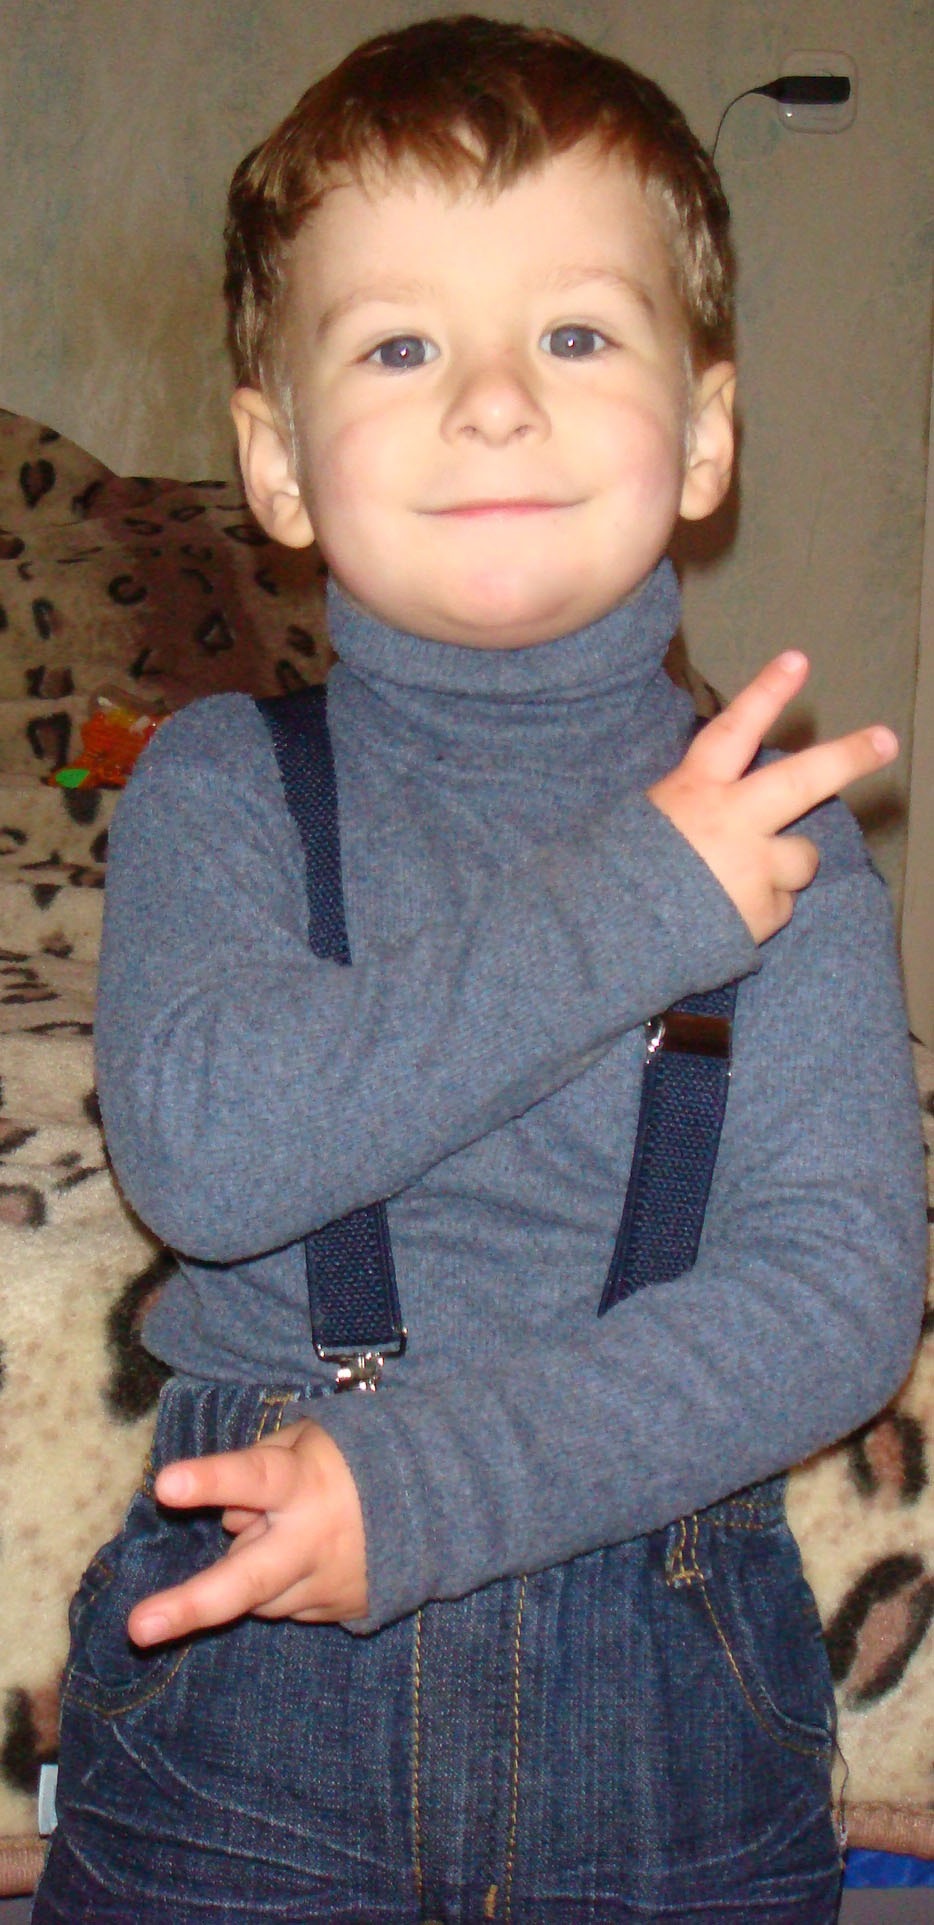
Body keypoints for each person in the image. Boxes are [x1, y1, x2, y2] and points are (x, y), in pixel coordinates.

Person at [34, 16, 926, 1923]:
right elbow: (209, 1153)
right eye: (399, 346)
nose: (496, 403)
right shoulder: (220, 783)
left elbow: (839, 1289)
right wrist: (636, 903)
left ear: (706, 433)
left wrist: (436, 1480)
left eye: (576, 335)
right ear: (275, 461)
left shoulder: (789, 844)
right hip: (249, 1712)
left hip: (670, 1693)